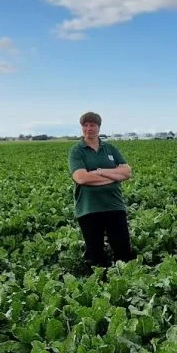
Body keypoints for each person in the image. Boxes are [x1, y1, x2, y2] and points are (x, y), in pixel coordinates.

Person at [68, 111, 135, 268]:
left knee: (123, 251)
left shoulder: (110, 148)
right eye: (85, 125)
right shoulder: (76, 151)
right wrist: (114, 176)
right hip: (89, 209)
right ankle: (101, 287)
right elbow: (81, 178)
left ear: (99, 127)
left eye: (92, 125)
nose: (89, 129)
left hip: (114, 206)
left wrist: (99, 171)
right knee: (96, 255)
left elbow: (127, 172)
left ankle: (125, 286)